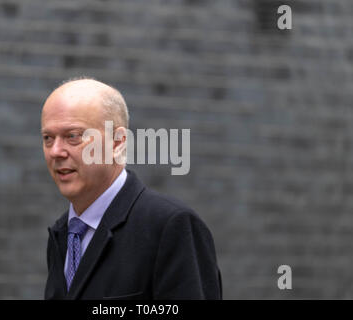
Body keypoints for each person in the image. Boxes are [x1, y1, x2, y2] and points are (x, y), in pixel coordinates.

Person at [41, 77, 222, 300]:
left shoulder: (170, 227)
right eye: (48, 138)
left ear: (117, 143)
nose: (55, 151)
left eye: (73, 136)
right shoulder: (63, 234)